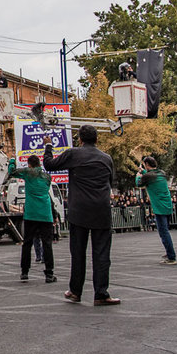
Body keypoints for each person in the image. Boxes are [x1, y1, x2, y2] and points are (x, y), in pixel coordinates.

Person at [42, 126, 120, 306]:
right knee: (102, 254)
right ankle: (101, 293)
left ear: (80, 140)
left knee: (78, 253)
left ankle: (75, 291)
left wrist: (48, 146)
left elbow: (49, 165)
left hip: (79, 210)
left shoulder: (73, 154)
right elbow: (110, 182)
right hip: (101, 209)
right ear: (97, 140)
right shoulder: (106, 158)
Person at [8, 156, 56, 282]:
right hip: (46, 214)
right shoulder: (47, 177)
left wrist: (12, 161)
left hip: (31, 213)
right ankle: (49, 273)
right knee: (47, 244)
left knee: (27, 243)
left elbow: (12, 172)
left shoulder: (28, 173)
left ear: (29, 164)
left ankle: (25, 272)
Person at [135, 156, 176, 265]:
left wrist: (138, 175)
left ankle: (171, 256)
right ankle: (169, 252)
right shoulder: (161, 173)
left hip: (159, 206)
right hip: (167, 204)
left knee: (163, 232)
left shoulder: (148, 176)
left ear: (147, 165)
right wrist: (143, 171)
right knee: (165, 230)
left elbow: (139, 183)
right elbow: (151, 175)